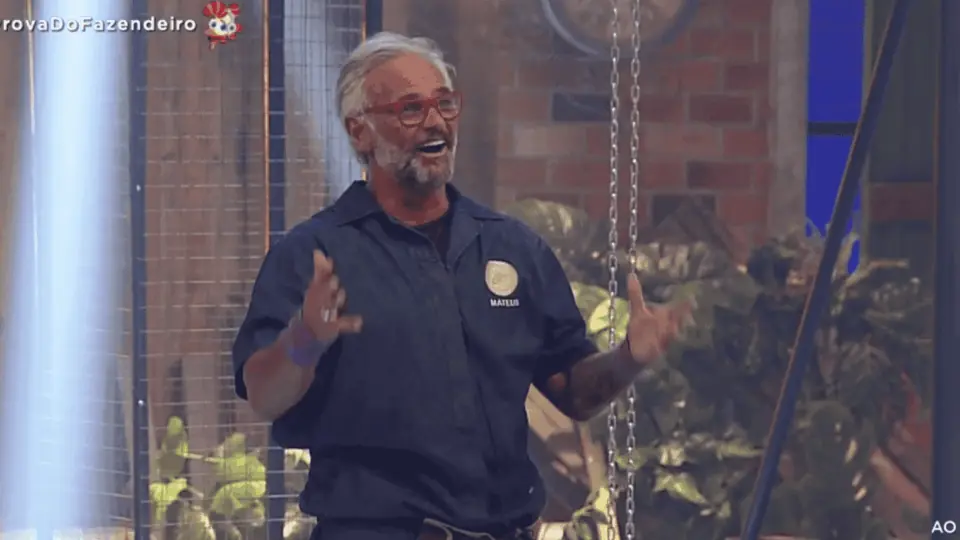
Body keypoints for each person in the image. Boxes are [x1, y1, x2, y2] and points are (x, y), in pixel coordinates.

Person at [232, 32, 690, 540]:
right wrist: (304, 339)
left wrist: (628, 359)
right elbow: (263, 396)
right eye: (411, 109)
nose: (436, 122)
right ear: (360, 132)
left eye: (445, 104)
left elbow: (573, 393)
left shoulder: (513, 247)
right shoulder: (314, 254)